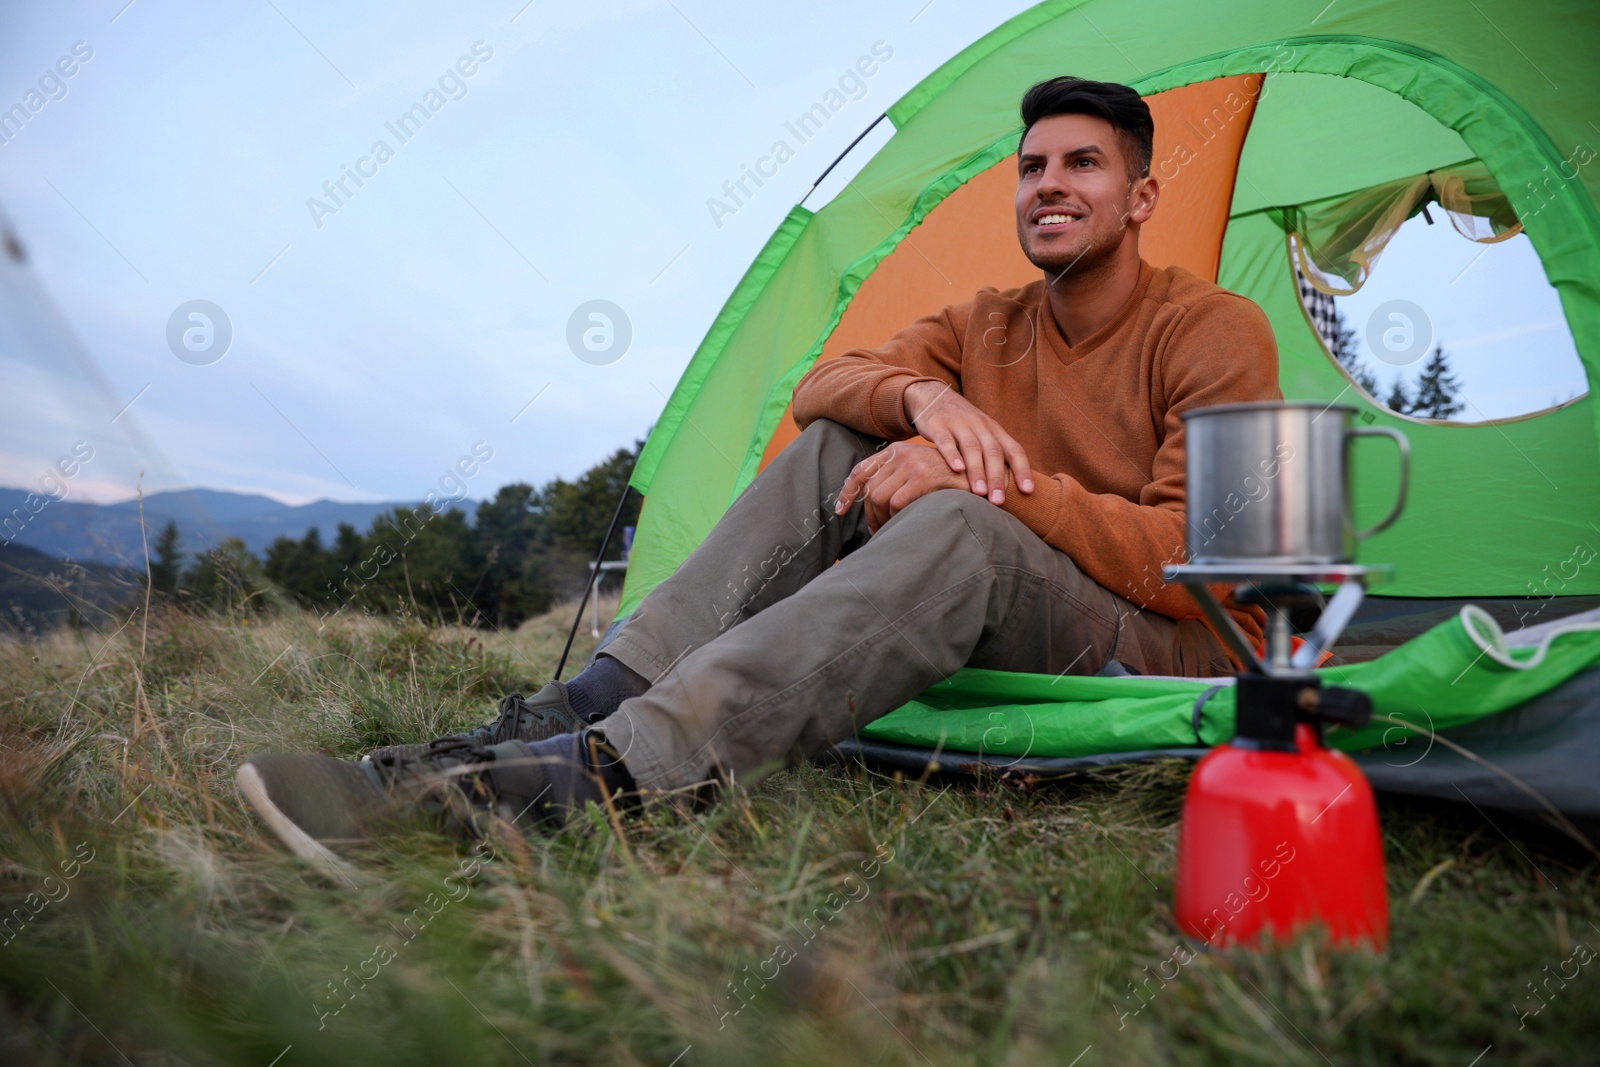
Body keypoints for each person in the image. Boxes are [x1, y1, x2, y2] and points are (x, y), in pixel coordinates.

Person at [236, 75, 1280, 859]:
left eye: (1081, 164)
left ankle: (598, 782)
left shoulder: (1211, 329)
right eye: (1031, 166)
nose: (1048, 185)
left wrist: (991, 482)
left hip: (1156, 644)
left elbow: (1201, 566)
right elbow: (823, 383)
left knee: (965, 526)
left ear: (1142, 197)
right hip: (1012, 598)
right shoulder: (985, 323)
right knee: (841, 441)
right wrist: (926, 399)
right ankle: (591, 697)